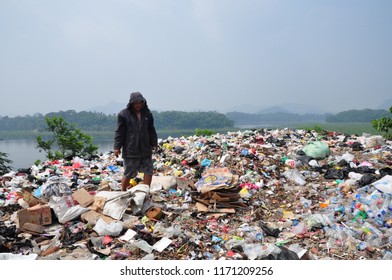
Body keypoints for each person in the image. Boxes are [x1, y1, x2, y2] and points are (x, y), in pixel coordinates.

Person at [114, 92, 158, 191]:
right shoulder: (123, 114)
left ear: (143, 102)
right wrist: (117, 147)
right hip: (131, 149)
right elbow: (119, 132)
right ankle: (123, 191)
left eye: (140, 103)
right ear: (131, 103)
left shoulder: (147, 114)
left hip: (145, 148)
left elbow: (151, 129)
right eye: (136, 103)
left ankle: (146, 191)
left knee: (148, 170)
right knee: (128, 172)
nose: (138, 105)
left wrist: (154, 143)